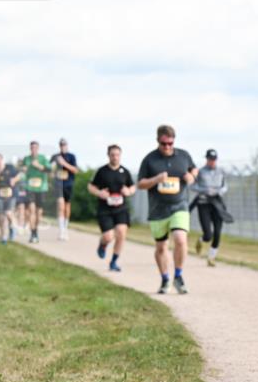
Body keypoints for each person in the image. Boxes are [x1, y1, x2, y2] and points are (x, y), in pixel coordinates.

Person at [137, 125, 197, 294]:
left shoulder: (183, 156)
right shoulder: (150, 159)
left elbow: (194, 169)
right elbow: (140, 184)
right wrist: (156, 179)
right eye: (164, 144)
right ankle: (165, 279)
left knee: (180, 238)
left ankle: (178, 275)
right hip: (158, 210)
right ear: (158, 141)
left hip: (179, 206)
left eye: (170, 143)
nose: (167, 147)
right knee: (161, 247)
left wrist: (192, 176)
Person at [89, 145, 136, 272]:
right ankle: (102, 244)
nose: (115, 157)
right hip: (105, 209)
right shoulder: (102, 171)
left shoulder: (125, 172)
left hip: (121, 208)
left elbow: (132, 187)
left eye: (117, 154)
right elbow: (91, 186)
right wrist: (99, 193)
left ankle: (114, 261)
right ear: (108, 155)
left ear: (120, 155)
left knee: (121, 233)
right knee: (109, 237)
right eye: (112, 155)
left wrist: (128, 191)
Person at [191, 149, 230, 267]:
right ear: (206, 159)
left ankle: (211, 257)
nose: (212, 161)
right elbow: (192, 186)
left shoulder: (221, 171)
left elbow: (225, 186)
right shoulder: (200, 172)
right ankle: (201, 240)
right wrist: (205, 190)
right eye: (210, 159)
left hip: (217, 203)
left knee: (217, 232)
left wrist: (220, 191)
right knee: (208, 234)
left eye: (214, 159)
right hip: (204, 203)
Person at [20, 141, 50, 243]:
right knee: (31, 210)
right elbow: (23, 170)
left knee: (39, 212)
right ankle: (33, 233)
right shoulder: (26, 159)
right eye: (32, 147)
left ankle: (36, 231)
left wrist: (38, 165)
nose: (33, 149)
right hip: (30, 188)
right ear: (30, 148)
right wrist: (24, 169)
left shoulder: (43, 158)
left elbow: (49, 170)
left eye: (35, 147)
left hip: (41, 188)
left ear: (38, 148)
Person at [50, 138, 79, 240]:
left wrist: (64, 164)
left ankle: (65, 228)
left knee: (67, 207)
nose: (63, 146)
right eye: (61, 145)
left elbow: (75, 170)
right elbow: (50, 169)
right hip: (58, 185)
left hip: (68, 184)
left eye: (64, 145)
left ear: (67, 145)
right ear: (59, 146)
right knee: (60, 205)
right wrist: (52, 172)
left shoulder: (71, 156)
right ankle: (61, 230)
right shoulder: (55, 156)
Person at [0, 153, 20, 245]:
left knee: (8, 212)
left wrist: (14, 180)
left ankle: (13, 228)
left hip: (11, 194)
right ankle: (3, 237)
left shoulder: (10, 167)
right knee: (1, 217)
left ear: (2, 159)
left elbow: (19, 175)